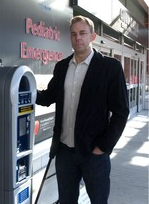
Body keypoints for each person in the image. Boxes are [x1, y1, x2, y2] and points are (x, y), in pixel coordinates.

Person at [36, 15, 129, 204]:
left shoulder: (109, 67)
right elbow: (47, 98)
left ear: (92, 36)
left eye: (82, 33)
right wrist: (23, 87)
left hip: (93, 154)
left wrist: (103, 147)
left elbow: (121, 112)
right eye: (73, 34)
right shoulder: (62, 67)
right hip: (65, 153)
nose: (78, 38)